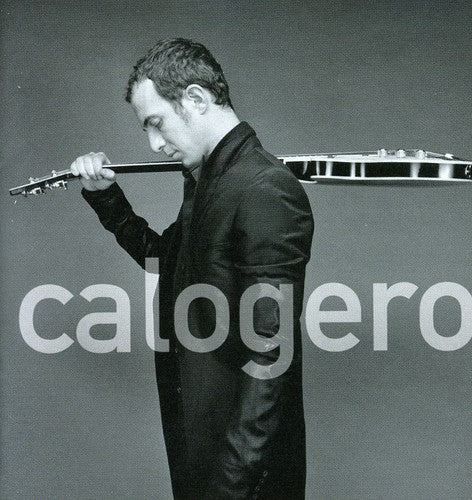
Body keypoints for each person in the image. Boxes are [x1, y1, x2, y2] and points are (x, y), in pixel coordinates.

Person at [71, 38, 314, 499]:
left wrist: (231, 484)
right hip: (202, 453)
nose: (154, 144)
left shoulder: (265, 188)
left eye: (156, 123)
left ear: (197, 98)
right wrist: (105, 197)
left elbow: (271, 356)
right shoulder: (206, 181)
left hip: (242, 476)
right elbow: (166, 263)